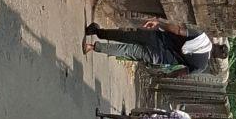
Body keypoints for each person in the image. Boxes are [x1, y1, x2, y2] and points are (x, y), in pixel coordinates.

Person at [83, 20, 226, 77]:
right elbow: (180, 73)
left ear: (217, 44)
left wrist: (159, 23)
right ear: (216, 58)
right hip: (159, 57)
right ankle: (92, 47)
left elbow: (177, 30)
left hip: (156, 38)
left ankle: (96, 32)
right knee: (127, 50)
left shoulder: (201, 36)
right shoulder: (201, 66)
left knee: (126, 36)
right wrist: (166, 75)